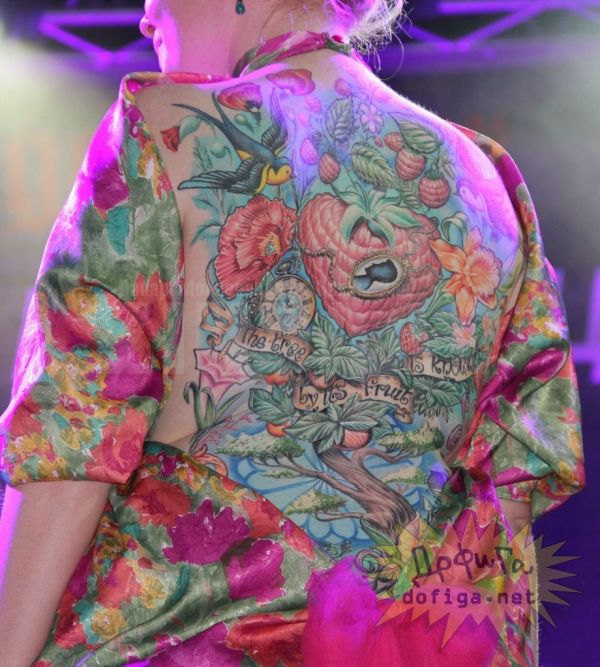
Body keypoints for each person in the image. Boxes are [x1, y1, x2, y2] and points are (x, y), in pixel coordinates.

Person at [0, 0, 585, 665]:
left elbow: (71, 444)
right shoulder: (492, 184)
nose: (146, 18)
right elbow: (504, 506)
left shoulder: (162, 131)